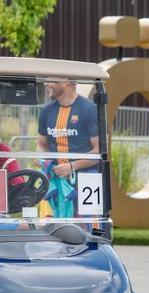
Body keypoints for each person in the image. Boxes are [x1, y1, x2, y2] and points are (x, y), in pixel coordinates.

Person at [37, 81, 99, 217]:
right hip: (55, 181)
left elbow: (98, 151)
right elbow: (41, 145)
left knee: (88, 230)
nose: (47, 84)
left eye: (52, 80)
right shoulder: (46, 111)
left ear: (66, 83)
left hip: (87, 179)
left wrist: (71, 166)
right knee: (49, 229)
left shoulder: (90, 109)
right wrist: (41, 160)